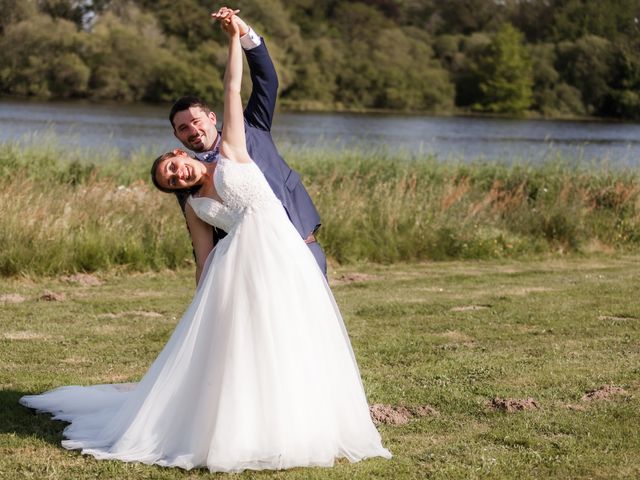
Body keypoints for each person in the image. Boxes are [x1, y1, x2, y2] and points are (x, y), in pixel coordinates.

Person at [20, 10, 391, 473]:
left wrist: (238, 35)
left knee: (303, 335)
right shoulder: (191, 200)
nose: (179, 164)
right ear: (177, 143)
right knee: (255, 343)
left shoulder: (241, 138)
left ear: (195, 134)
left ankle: (312, 415)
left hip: (297, 248)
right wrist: (205, 303)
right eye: (170, 176)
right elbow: (204, 253)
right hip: (248, 264)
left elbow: (240, 86)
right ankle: (257, 421)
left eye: (190, 132)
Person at [165, 9, 326, 283]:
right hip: (254, 263)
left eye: (196, 121)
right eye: (183, 128)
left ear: (212, 118)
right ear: (178, 138)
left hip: (301, 240)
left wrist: (242, 33)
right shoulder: (186, 181)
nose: (193, 130)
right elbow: (203, 241)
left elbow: (267, 82)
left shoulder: (251, 127)